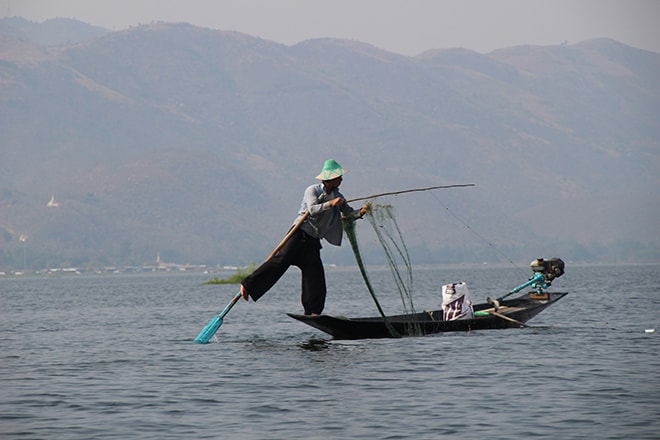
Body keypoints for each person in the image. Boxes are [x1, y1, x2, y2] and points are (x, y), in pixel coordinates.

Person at [240, 159, 367, 315]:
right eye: (339, 176)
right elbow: (313, 209)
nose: (341, 179)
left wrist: (360, 212)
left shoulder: (338, 195)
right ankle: (248, 285)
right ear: (330, 178)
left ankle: (313, 311)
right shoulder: (312, 190)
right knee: (279, 263)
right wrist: (331, 203)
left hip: (312, 241)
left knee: (315, 277)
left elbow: (349, 213)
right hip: (298, 235)